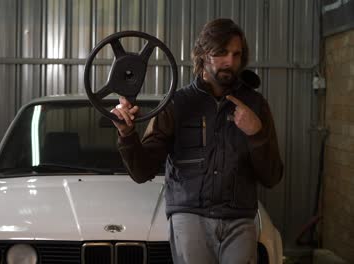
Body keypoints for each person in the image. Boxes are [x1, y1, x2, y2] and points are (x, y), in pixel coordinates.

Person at [111, 18, 283, 264]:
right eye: (221, 53)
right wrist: (127, 135)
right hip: (190, 216)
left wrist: (256, 133)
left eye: (236, 54)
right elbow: (142, 171)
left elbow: (272, 176)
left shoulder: (255, 106)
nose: (230, 62)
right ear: (203, 54)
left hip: (240, 219)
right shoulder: (176, 104)